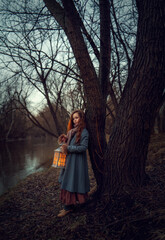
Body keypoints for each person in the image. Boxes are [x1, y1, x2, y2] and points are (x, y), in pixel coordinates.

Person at [57, 109, 90, 217]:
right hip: (69, 161)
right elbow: (69, 144)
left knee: (72, 181)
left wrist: (69, 148)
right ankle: (69, 206)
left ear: (81, 118)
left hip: (77, 163)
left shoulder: (84, 132)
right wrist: (64, 140)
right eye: (73, 118)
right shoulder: (72, 131)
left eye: (77, 118)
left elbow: (83, 147)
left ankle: (68, 207)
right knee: (67, 181)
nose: (75, 120)